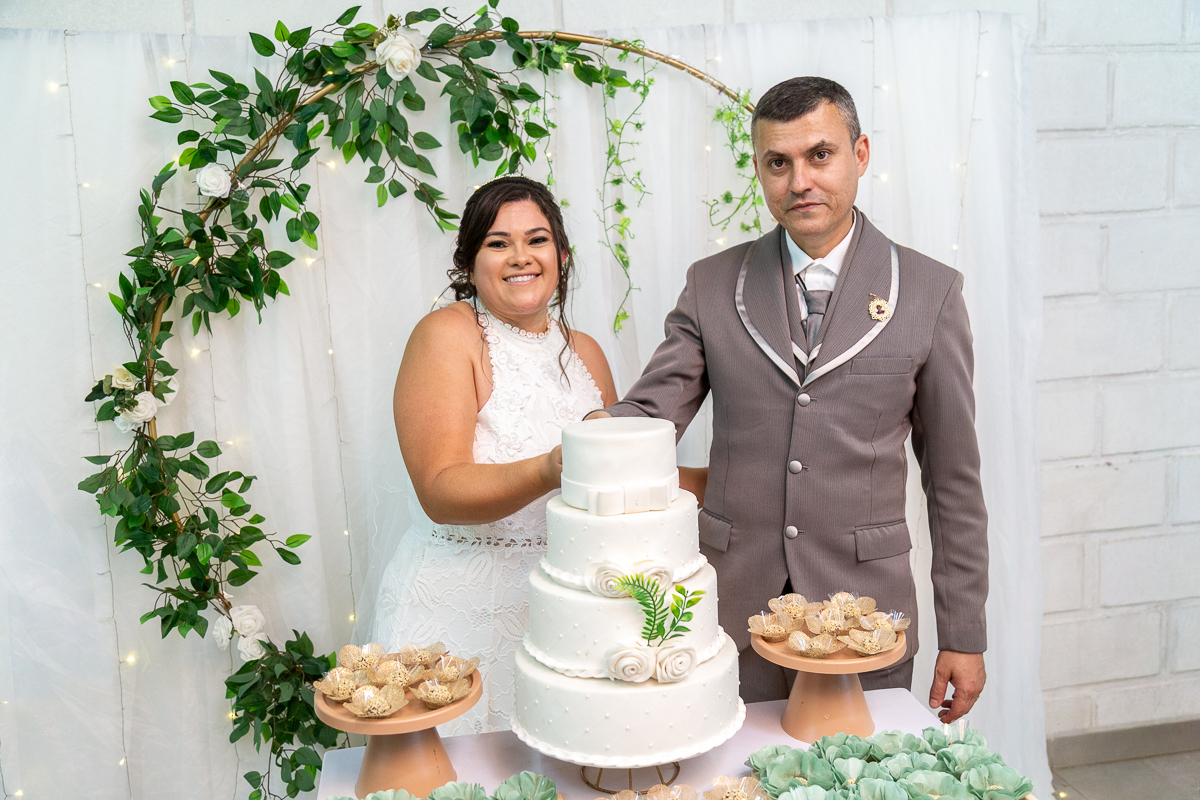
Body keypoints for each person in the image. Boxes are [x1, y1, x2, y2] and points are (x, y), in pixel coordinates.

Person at [591, 77, 988, 722]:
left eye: (819, 155)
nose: (799, 180)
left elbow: (955, 483)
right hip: (730, 611)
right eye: (779, 163)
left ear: (861, 155)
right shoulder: (713, 284)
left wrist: (964, 634)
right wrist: (591, 434)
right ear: (760, 170)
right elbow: (650, 412)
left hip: (866, 615)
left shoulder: (931, 292)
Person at [371, 176, 619, 734]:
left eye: (536, 240)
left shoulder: (586, 354)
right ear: (469, 261)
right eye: (498, 243)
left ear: (560, 254)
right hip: (457, 613)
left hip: (564, 617)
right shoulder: (447, 335)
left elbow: (615, 479)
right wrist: (551, 468)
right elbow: (440, 490)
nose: (520, 257)